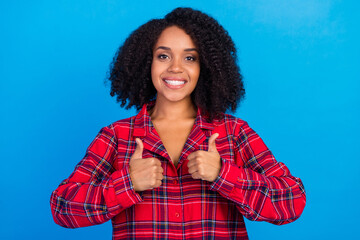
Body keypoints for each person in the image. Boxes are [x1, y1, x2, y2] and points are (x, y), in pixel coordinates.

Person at [50, 7, 306, 239]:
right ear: (146, 62)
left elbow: (291, 201)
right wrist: (127, 183)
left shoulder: (234, 132)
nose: (175, 68)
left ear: (204, 66)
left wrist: (223, 174)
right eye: (163, 56)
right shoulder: (117, 136)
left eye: (190, 58)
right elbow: (63, 207)